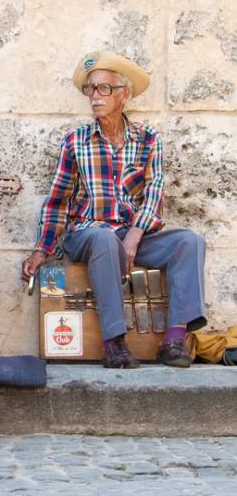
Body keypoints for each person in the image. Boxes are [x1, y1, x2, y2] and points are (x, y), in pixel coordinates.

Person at [21, 50, 206, 369]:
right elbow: (58, 200)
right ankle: (114, 343)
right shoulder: (75, 141)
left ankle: (173, 340)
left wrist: (135, 235)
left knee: (189, 242)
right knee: (105, 240)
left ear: (124, 94)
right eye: (90, 89)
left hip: (133, 234)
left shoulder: (149, 140)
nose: (95, 96)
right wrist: (41, 249)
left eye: (104, 88)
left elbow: (154, 192)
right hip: (87, 234)